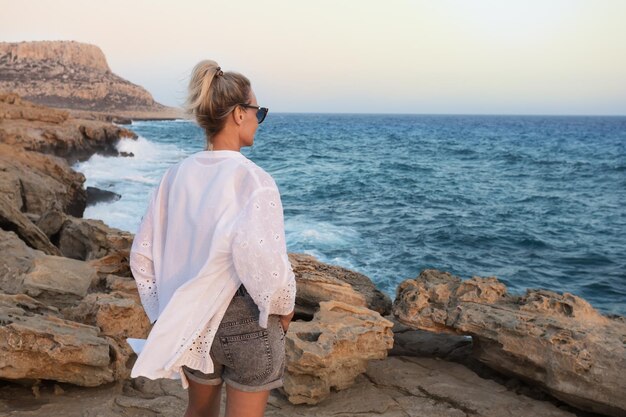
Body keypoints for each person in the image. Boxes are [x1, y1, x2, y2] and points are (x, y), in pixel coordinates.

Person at [128, 60, 296, 417]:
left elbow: (142, 257)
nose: (258, 120)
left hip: (192, 320)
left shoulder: (173, 177)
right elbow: (260, 258)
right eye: (258, 111)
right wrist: (284, 306)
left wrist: (166, 312)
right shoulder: (253, 179)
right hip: (246, 322)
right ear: (238, 114)